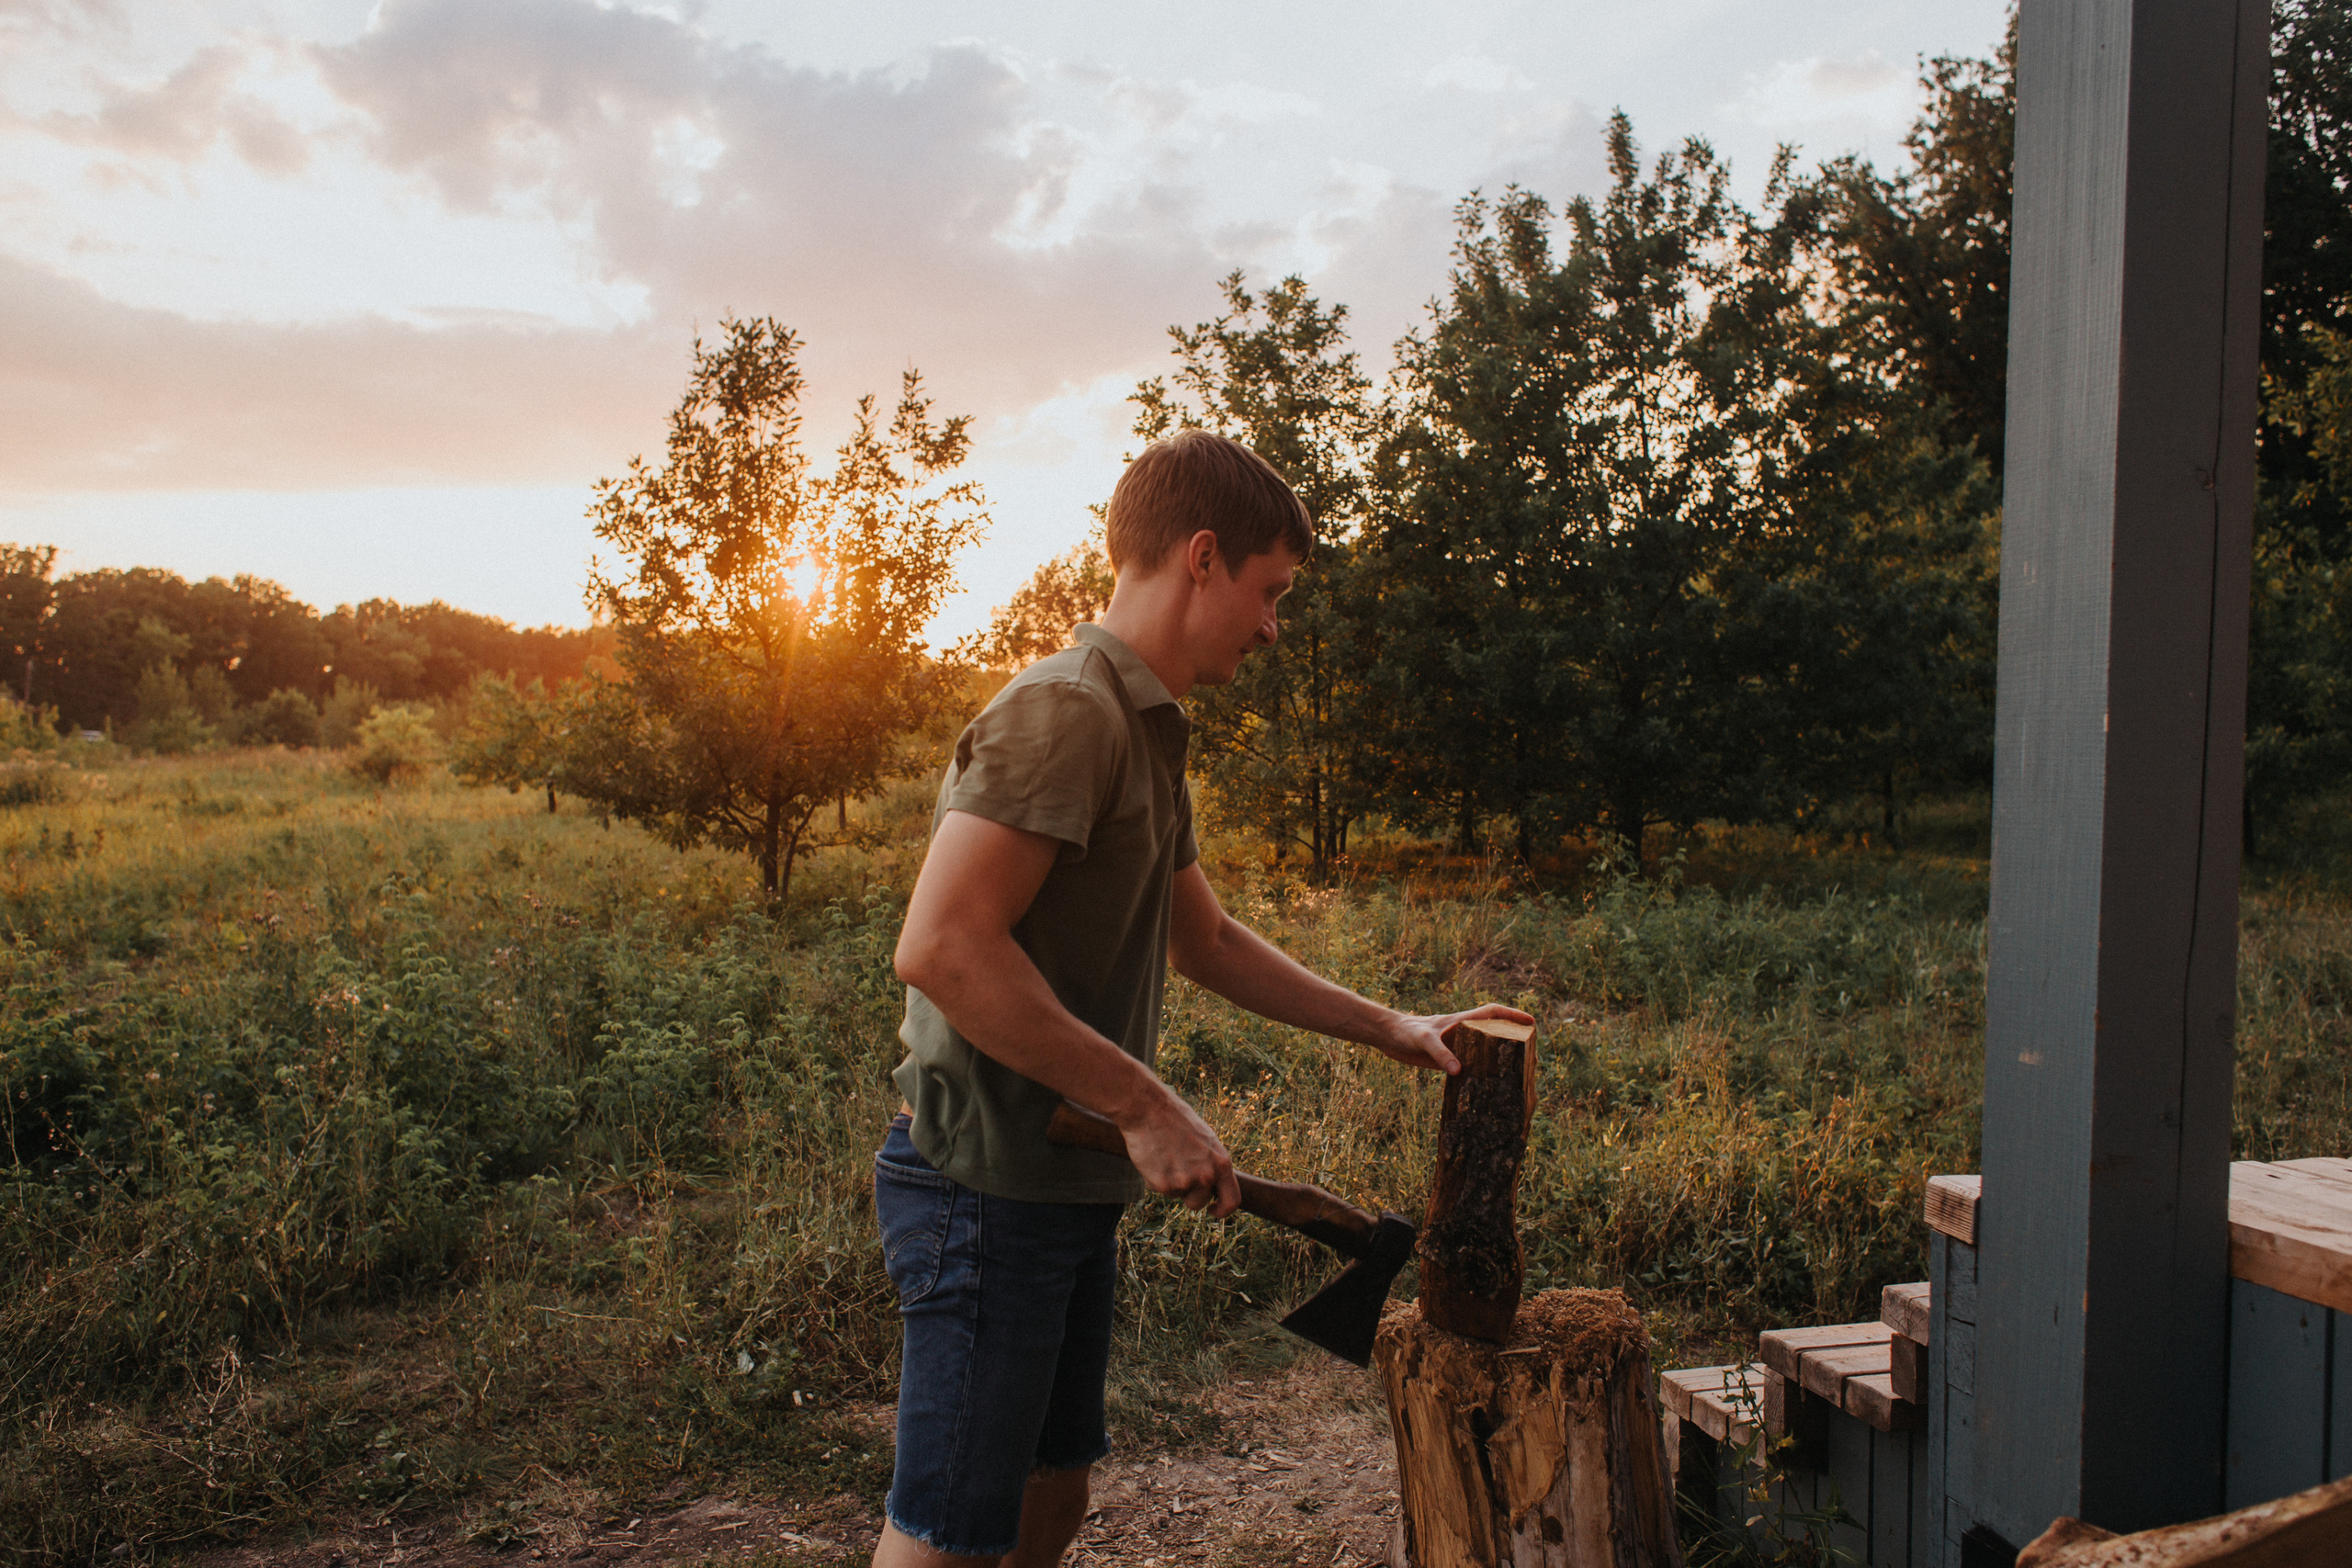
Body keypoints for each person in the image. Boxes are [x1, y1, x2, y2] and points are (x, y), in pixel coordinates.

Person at [873, 428, 1532, 1567]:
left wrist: (1390, 1026)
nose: (1275, 626)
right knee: (945, 1538)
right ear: (1203, 556)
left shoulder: (1142, 729)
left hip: (1063, 1186)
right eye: (1270, 592)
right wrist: (1144, 1105)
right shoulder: (1063, 712)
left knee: (1053, 1495)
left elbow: (1207, 938)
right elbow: (941, 948)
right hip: (983, 1192)